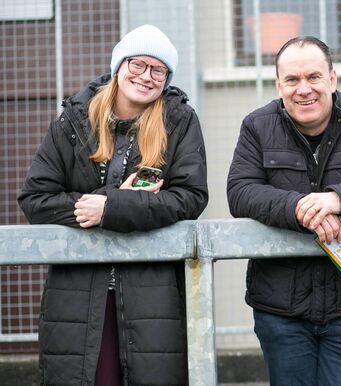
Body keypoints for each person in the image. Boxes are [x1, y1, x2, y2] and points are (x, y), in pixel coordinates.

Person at [18, 24, 208, 386]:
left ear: (166, 78)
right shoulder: (74, 120)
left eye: (158, 70)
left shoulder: (179, 121)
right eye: (137, 64)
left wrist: (110, 207)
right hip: (78, 291)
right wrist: (96, 207)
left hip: (151, 291)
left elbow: (190, 197)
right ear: (119, 65)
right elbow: (36, 198)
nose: (145, 76)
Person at [227, 36, 341, 386]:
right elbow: (240, 192)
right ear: (278, 85)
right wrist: (298, 208)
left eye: (313, 77)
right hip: (279, 309)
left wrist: (339, 199)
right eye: (293, 80)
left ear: (332, 78)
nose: (304, 89)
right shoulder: (257, 126)